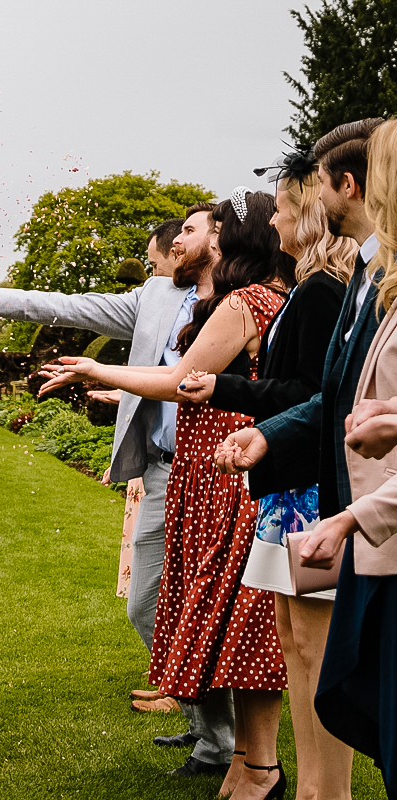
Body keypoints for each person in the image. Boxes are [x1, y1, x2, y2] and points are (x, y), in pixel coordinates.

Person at [0, 212, 239, 772]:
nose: (179, 242)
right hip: (164, 471)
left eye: (191, 231)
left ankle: (218, 746)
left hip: (218, 471)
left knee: (204, 612)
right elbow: (69, 304)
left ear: (218, 238)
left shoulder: (242, 297)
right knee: (146, 606)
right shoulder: (156, 295)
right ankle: (204, 726)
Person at [39, 190, 291, 799]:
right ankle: (233, 752)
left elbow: (182, 384)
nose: (201, 239)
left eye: (217, 229)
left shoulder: (244, 302)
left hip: (224, 474)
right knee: (209, 613)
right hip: (207, 471)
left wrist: (97, 370)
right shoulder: (253, 298)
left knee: (228, 619)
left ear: (237, 239)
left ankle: (249, 758)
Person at [179, 152, 356, 800]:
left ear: (309, 212)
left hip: (310, 497)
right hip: (288, 494)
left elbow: (312, 395)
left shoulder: (320, 291)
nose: (274, 217)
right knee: (295, 643)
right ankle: (298, 781)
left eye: (282, 206)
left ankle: (316, 788)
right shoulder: (309, 286)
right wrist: (225, 390)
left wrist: (230, 395)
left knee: (311, 650)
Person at [291, 117, 397, 795]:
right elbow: (334, 395)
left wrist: (351, 518)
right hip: (370, 529)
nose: (298, 212)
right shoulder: (374, 278)